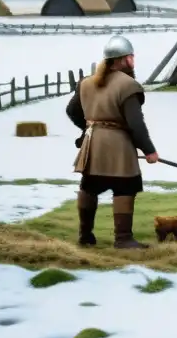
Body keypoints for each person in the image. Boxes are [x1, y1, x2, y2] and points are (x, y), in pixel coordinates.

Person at [66, 34, 158, 249]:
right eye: (131, 57)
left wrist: (90, 129)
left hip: (93, 145)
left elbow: (71, 111)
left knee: (90, 185)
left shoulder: (86, 83)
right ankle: (123, 239)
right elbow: (136, 124)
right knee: (126, 186)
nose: (133, 61)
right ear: (125, 59)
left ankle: (85, 236)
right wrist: (149, 151)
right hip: (119, 148)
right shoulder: (128, 85)